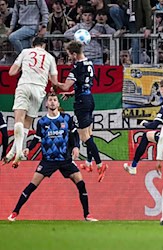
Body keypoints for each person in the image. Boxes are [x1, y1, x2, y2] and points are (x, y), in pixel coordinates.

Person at [7, 93, 97, 222]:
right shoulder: (42, 122)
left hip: (65, 159)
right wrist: (28, 148)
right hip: (48, 160)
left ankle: (87, 215)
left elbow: (74, 135)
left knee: (81, 183)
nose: (53, 102)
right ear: (46, 104)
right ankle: (14, 213)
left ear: (58, 103)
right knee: (32, 185)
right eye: (50, 100)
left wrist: (76, 146)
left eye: (55, 100)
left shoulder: (66, 118)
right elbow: (37, 139)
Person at [55, 41, 108, 182]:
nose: (69, 58)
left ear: (74, 54)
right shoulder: (89, 63)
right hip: (89, 99)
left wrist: (53, 81)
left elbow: (65, 86)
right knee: (89, 133)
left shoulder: (76, 68)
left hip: (81, 103)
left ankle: (100, 164)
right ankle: (88, 163)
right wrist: (73, 93)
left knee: (84, 137)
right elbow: (84, 85)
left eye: (69, 55)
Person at [3, 37, 58, 168]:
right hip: (39, 89)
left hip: (25, 85)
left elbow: (11, 72)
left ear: (33, 45)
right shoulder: (50, 57)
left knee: (19, 119)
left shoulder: (25, 52)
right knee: (27, 123)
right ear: (44, 46)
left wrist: (23, 67)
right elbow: (55, 82)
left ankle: (18, 151)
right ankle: (14, 152)